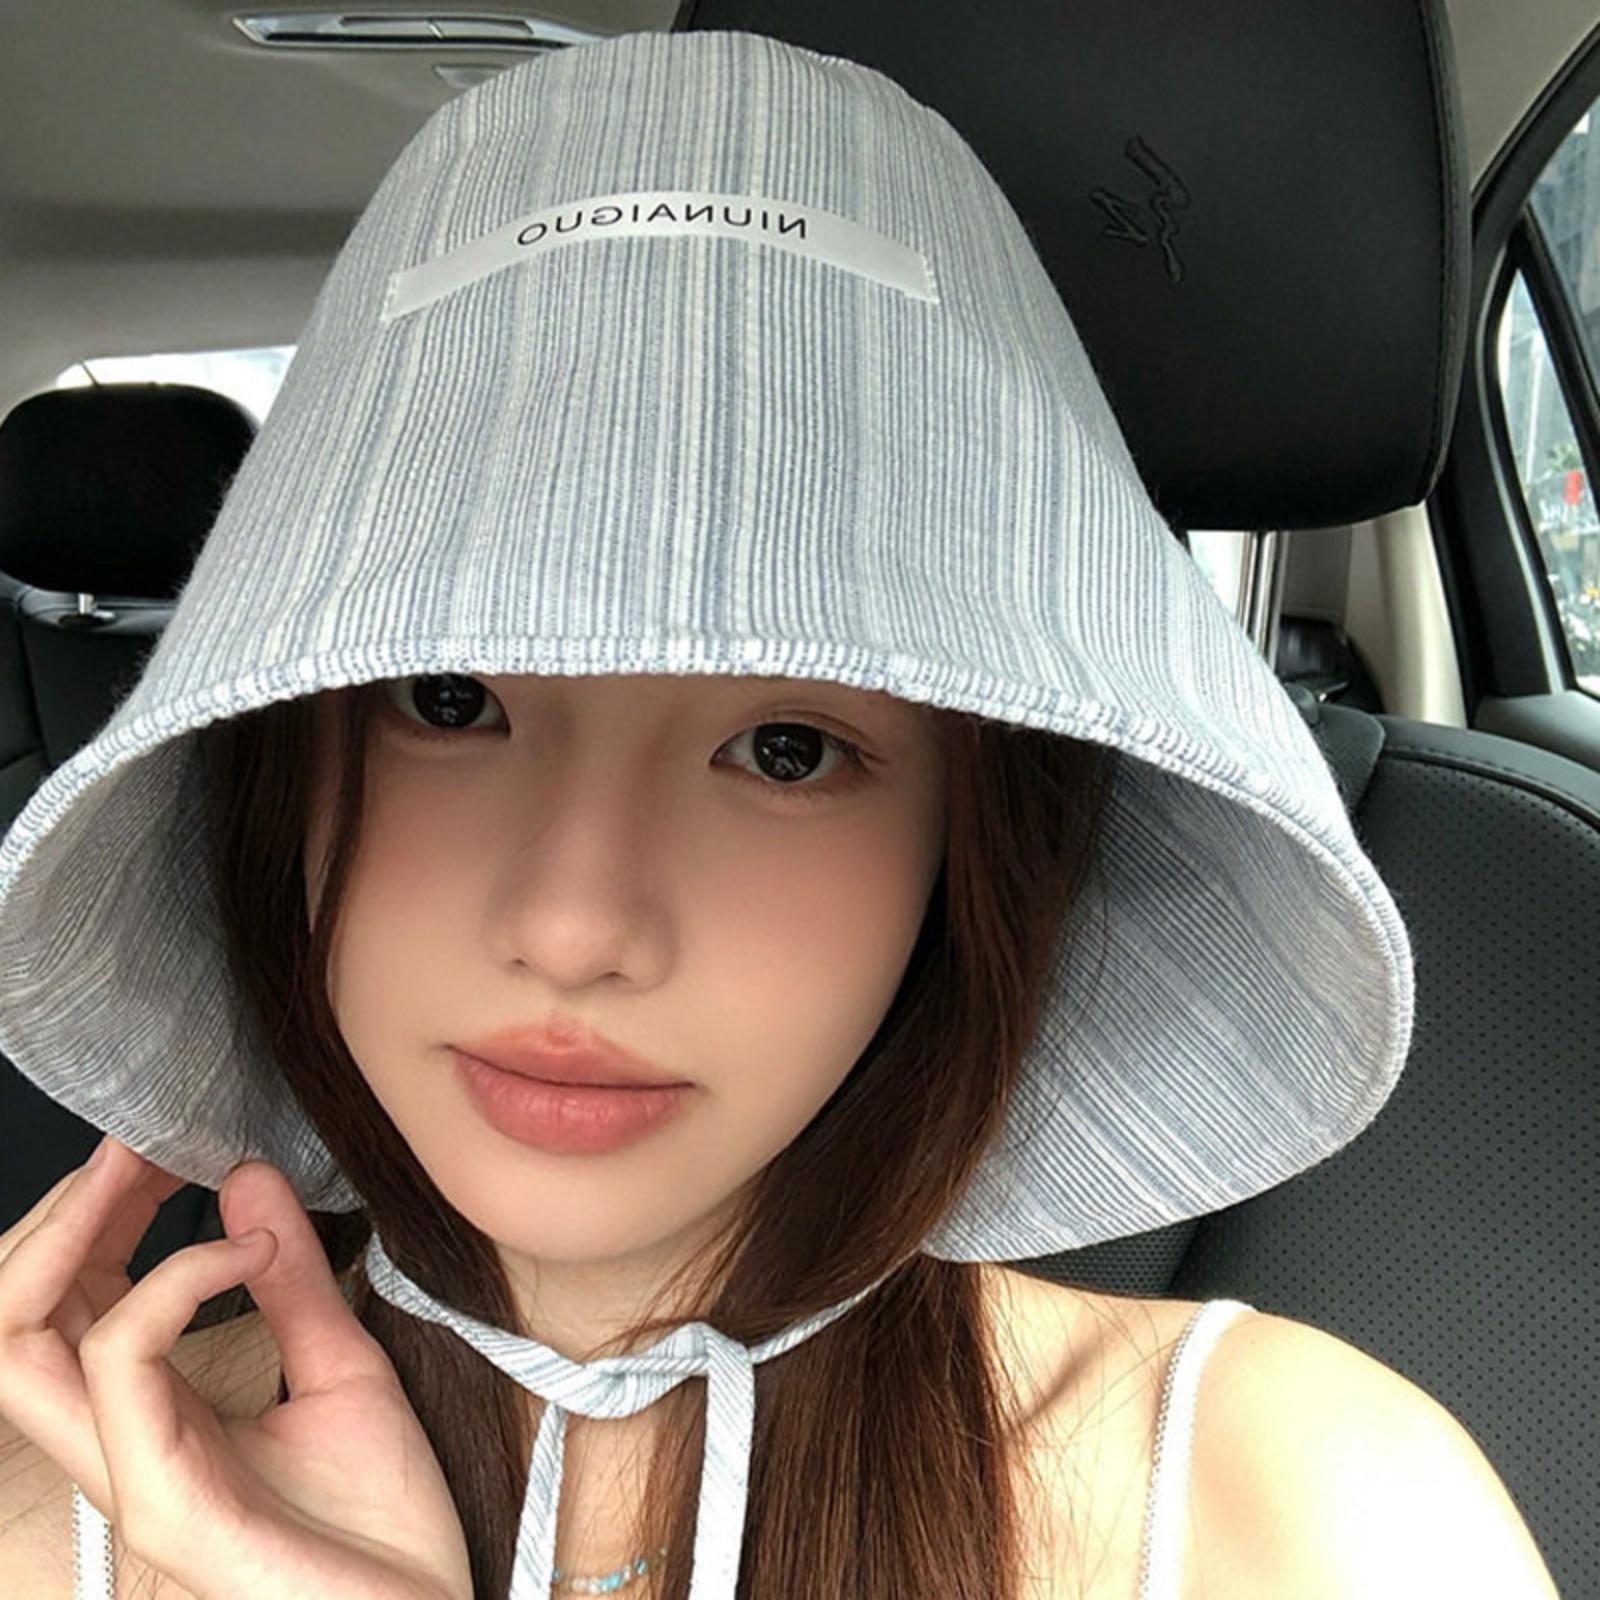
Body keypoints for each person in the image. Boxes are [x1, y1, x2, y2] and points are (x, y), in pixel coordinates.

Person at [0, 27, 1420, 1600]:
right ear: (282, 773)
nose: (572, 926)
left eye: (789, 750)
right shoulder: (49, 1510)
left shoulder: (1301, 1514)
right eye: (450, 701)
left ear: (969, 844)